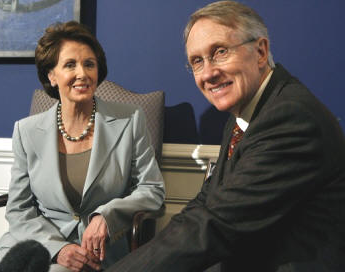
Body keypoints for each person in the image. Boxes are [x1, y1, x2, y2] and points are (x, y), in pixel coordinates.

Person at [106, 1, 345, 271]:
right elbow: (206, 202)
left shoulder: (290, 117)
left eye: (220, 52)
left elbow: (216, 224)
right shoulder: (245, 110)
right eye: (197, 61)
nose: (208, 73)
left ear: (260, 52)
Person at [0, 21, 165, 272]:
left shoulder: (130, 120)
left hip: (96, 252)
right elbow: (19, 210)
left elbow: (152, 191)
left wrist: (107, 216)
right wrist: (58, 249)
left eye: (89, 64)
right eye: (70, 65)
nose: (82, 74)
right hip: (34, 247)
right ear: (52, 76)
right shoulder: (26, 130)